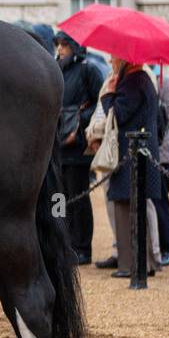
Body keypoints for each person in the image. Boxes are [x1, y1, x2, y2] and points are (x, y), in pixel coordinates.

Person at [98, 56, 161, 279]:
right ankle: (145, 262)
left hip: (130, 152)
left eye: (114, 57)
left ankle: (130, 264)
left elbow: (118, 114)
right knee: (137, 207)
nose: (111, 60)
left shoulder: (134, 81)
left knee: (126, 208)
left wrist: (108, 95)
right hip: (141, 150)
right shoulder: (142, 78)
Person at [56, 30, 105, 264]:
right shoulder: (55, 68)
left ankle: (82, 247)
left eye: (64, 45)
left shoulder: (88, 69)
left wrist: (80, 120)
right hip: (57, 146)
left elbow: (101, 103)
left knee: (78, 198)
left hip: (78, 147)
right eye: (58, 44)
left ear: (74, 46)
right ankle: (61, 244)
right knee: (57, 198)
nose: (60, 49)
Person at [151, 67, 169, 267]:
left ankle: (167, 248)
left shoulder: (165, 82)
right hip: (142, 150)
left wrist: (153, 119)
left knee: (160, 201)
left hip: (160, 152)